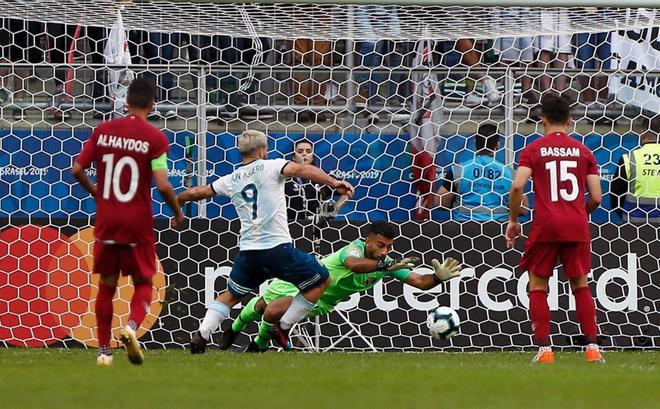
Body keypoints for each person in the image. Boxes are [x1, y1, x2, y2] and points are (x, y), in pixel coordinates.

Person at [177, 130, 354, 354]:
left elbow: (196, 192)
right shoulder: (272, 166)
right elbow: (301, 169)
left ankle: (202, 334)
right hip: (277, 249)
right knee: (322, 281)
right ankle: (283, 326)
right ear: (263, 150)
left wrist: (177, 204)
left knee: (231, 295)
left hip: (249, 252)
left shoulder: (230, 179)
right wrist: (333, 181)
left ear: (241, 152)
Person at [71, 78, 184, 366]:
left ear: (126, 102)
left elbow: (77, 169)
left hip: (107, 220)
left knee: (107, 285)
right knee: (144, 281)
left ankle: (103, 352)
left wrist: (97, 193)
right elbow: (161, 184)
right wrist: (177, 212)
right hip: (137, 222)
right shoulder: (155, 139)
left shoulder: (103, 131)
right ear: (152, 104)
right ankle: (131, 327)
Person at [216, 221, 461, 352]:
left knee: (271, 312)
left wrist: (438, 278)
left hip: (321, 299)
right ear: (367, 240)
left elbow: (419, 281)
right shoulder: (354, 250)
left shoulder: (388, 262)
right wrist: (386, 267)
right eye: (380, 245)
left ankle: (256, 348)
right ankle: (235, 328)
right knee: (258, 306)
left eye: (388, 247)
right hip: (304, 280)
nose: (384, 252)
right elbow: (354, 265)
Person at [506, 94, 603, 363]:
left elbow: (517, 186)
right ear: (570, 120)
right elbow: (596, 196)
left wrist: (514, 220)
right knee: (580, 285)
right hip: (576, 225)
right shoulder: (584, 151)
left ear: (542, 120)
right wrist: (575, 213)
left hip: (546, 226)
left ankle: (545, 351)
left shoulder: (534, 149)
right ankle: (593, 349)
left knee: (538, 286)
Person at [436, 123, 529, 221]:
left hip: (464, 228)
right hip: (498, 229)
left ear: (476, 143)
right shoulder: (510, 174)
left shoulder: (459, 170)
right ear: (497, 145)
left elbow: (440, 201)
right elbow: (523, 209)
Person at [610, 114, 660, 224]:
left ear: (643, 133)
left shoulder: (630, 158)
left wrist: (626, 216)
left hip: (635, 225)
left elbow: (615, 196)